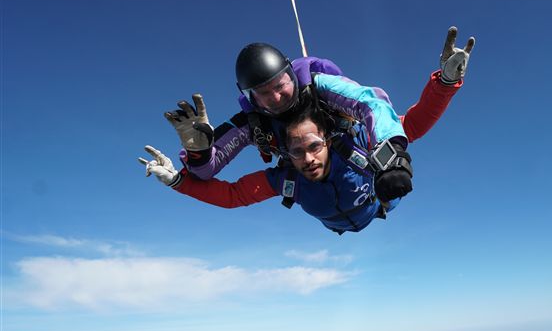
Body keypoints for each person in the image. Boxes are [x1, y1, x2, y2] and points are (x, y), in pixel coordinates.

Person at [140, 27, 475, 234]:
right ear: (251, 97)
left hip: (379, 203)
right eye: (263, 93)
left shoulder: (354, 142)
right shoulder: (286, 176)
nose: (276, 98)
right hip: (340, 220)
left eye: (280, 85)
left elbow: (377, 107)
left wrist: (394, 156)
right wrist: (194, 157)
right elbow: (230, 193)